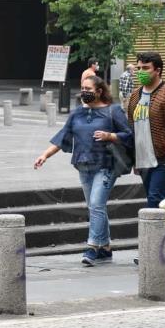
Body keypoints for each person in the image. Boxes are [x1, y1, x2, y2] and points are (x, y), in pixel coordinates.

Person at [34, 75, 132, 266]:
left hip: (106, 166)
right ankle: (105, 248)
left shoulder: (113, 111)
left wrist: (110, 135)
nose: (84, 92)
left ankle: (92, 247)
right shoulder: (77, 113)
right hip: (83, 166)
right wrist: (44, 155)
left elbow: (128, 135)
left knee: (96, 205)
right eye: (82, 88)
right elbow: (64, 136)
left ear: (99, 91)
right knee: (95, 207)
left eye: (88, 89)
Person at [127, 51, 165, 266]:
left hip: (163, 159)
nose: (141, 72)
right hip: (143, 160)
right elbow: (132, 127)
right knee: (162, 208)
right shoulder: (135, 96)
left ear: (158, 70)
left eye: (146, 68)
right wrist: (135, 158)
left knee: (154, 205)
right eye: (139, 68)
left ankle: (150, 252)